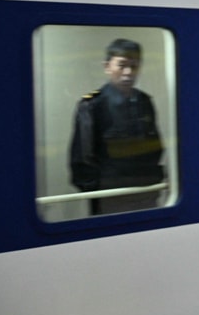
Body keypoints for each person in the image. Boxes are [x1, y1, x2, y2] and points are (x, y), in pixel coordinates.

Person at [69, 38, 164, 215]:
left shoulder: (144, 101)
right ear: (107, 67)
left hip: (146, 193)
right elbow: (81, 160)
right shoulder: (92, 105)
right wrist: (99, 194)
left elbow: (157, 148)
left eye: (134, 66)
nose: (128, 72)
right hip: (111, 197)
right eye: (121, 65)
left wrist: (153, 182)